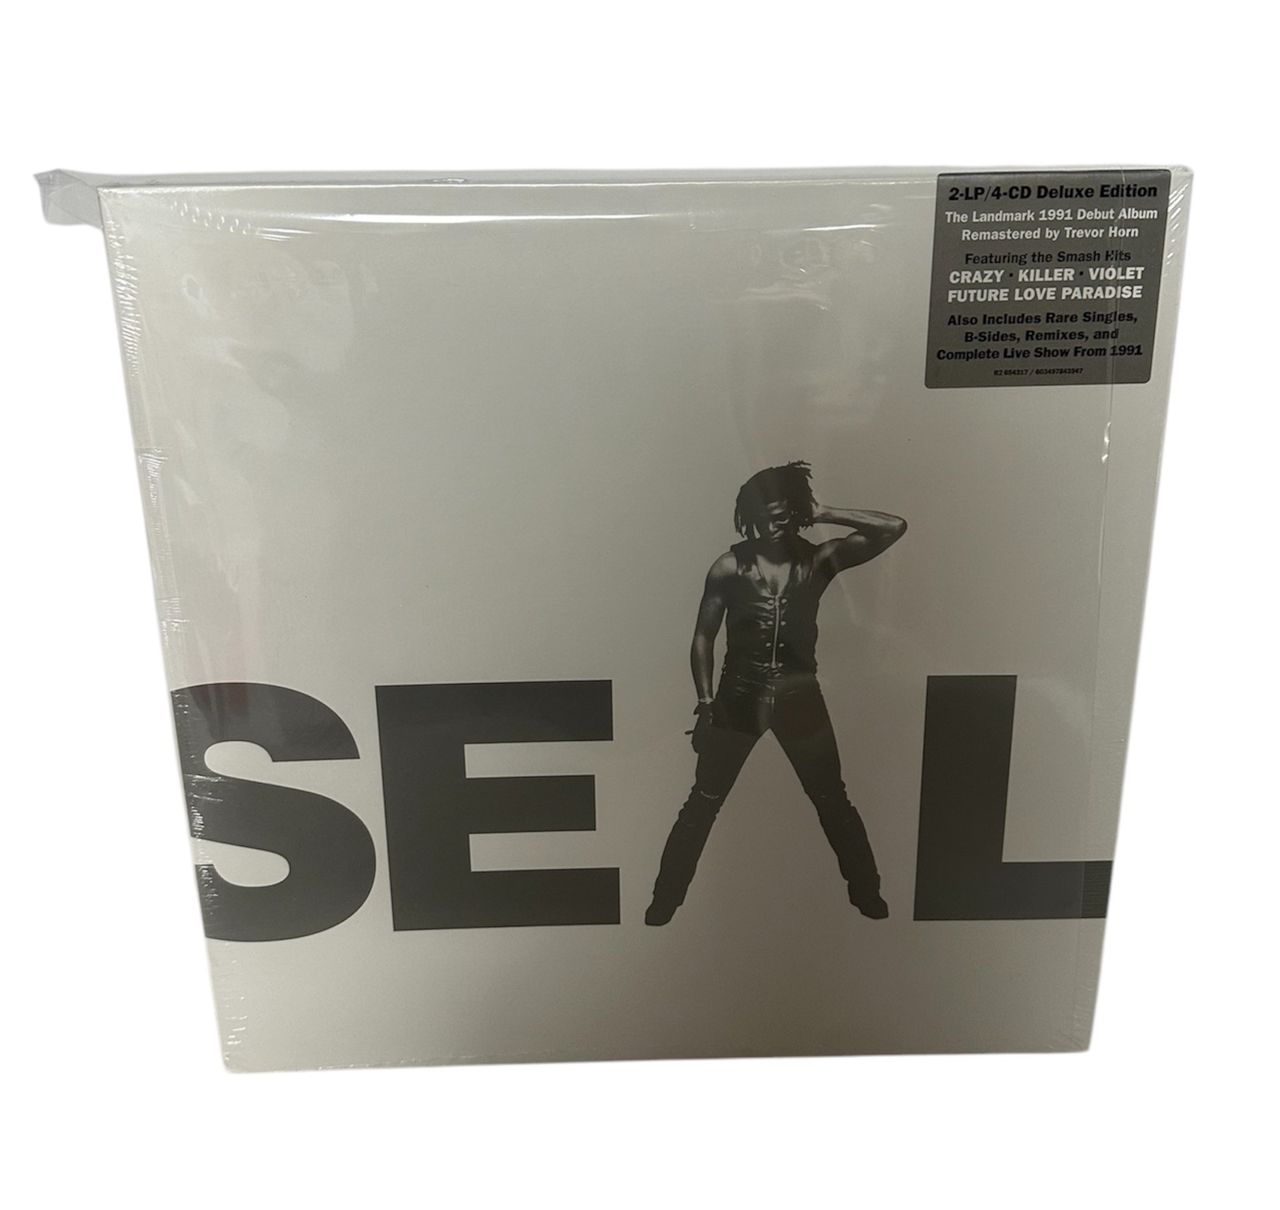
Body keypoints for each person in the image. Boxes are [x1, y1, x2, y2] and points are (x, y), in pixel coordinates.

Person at [645, 461, 907, 925]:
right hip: (737, 696)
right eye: (763, 517)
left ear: (796, 513)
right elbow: (703, 637)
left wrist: (823, 511)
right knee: (703, 801)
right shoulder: (729, 566)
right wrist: (705, 704)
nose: (773, 526)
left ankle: (867, 893)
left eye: (783, 516)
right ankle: (665, 899)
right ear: (749, 517)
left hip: (799, 696)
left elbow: (894, 527)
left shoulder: (819, 560)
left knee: (833, 799)